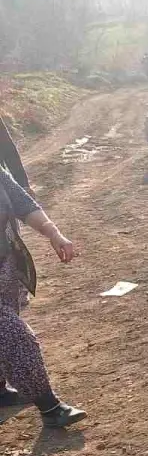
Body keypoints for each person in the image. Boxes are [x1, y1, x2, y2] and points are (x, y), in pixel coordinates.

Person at [0, 114, 85, 430]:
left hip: (5, 264)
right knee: (14, 334)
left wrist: (54, 234)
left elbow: (22, 203)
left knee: (8, 319)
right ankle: (50, 407)